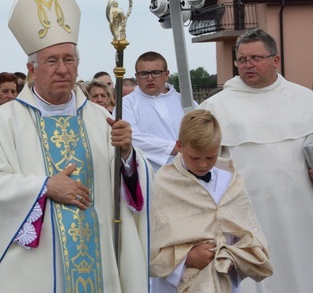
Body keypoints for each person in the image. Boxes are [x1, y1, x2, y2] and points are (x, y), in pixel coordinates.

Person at [0, 0, 150, 292]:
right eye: (51, 60)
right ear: (31, 69)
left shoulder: (100, 118)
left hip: (97, 253)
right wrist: (43, 188)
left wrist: (126, 154)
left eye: (69, 59)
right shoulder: (5, 121)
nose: (62, 69)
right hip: (35, 265)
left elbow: (127, 187)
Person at [199, 28, 313, 292]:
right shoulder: (216, 107)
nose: (247, 65)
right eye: (242, 59)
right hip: (247, 216)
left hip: (302, 211)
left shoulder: (306, 100)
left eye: (255, 58)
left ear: (275, 60)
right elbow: (201, 167)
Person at [151, 109, 272, 292]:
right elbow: (154, 238)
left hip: (224, 278)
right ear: (180, 146)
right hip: (178, 281)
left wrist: (234, 256)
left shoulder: (231, 181)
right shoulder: (163, 182)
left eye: (210, 157)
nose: (203, 164)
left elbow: (248, 231)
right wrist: (187, 257)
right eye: (194, 157)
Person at [122, 51, 196, 172]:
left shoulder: (185, 102)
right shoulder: (127, 104)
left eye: (156, 73)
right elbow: (130, 137)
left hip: (187, 171)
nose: (150, 78)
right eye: (144, 74)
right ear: (136, 76)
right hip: (149, 175)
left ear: (166, 74)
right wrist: (175, 148)